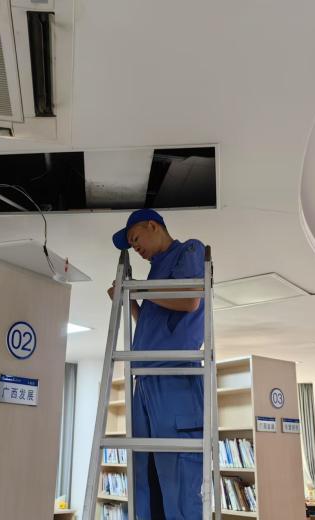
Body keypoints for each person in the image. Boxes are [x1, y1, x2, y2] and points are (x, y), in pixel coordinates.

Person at [109, 208, 206, 520]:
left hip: (175, 377)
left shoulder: (188, 250)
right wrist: (130, 302)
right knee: (146, 477)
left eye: (135, 238)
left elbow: (190, 298)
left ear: (153, 225)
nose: (135, 247)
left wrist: (135, 288)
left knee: (179, 478)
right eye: (131, 244)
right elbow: (153, 326)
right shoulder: (154, 276)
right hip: (145, 380)